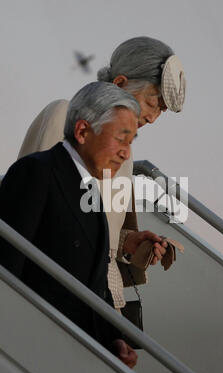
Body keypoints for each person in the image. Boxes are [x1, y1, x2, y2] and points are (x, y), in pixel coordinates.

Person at [18, 36, 186, 314]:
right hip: (54, 291)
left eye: (161, 111)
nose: (154, 118)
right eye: (151, 103)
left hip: (104, 299)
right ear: (119, 84)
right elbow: (33, 218)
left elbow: (95, 234)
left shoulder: (126, 154)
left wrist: (128, 243)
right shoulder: (62, 117)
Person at [0, 82, 143, 368]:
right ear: (83, 131)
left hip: (71, 356)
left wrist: (113, 339)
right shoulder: (36, 172)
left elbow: (94, 284)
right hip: (34, 353)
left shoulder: (90, 190)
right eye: (121, 139)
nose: (126, 153)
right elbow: (1, 271)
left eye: (131, 142)